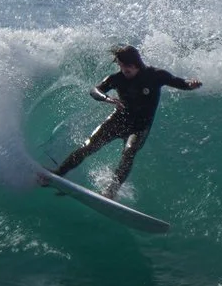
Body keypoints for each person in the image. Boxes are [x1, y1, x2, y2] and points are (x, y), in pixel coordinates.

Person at [51, 44, 200, 197]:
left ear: (136, 64)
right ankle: (58, 173)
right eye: (121, 67)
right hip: (119, 120)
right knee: (88, 146)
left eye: (127, 67)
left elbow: (180, 83)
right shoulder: (117, 79)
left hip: (140, 126)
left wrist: (191, 84)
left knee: (129, 152)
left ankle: (110, 191)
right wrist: (107, 99)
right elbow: (95, 90)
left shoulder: (155, 75)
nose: (124, 71)